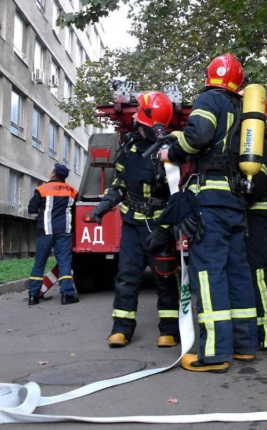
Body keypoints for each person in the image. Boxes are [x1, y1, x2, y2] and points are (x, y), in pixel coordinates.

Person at [158, 53, 258, 373]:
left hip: (209, 200)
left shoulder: (209, 99)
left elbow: (198, 136)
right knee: (237, 273)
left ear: (210, 75)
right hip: (235, 201)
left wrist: (171, 152)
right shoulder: (244, 109)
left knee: (209, 273)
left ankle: (214, 353)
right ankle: (244, 346)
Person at [89, 91, 180, 349]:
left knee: (164, 278)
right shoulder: (128, 150)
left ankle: (169, 331)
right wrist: (104, 205)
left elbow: (177, 191)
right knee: (127, 277)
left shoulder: (170, 151)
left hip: (159, 227)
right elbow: (118, 185)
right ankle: (121, 329)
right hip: (132, 225)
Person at [245, 101, 267, 350]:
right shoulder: (248, 145)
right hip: (250, 217)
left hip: (259, 217)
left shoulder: (263, 148)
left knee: (257, 272)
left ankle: (266, 333)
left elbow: (255, 186)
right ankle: (252, 329)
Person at [27, 162, 79, 306]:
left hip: (44, 231)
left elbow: (31, 210)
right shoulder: (72, 191)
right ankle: (67, 295)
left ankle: (33, 296)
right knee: (64, 262)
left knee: (39, 263)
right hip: (64, 232)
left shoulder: (41, 189)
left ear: (53, 174)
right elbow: (75, 212)